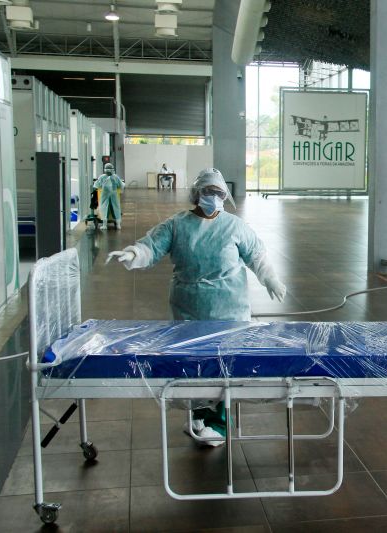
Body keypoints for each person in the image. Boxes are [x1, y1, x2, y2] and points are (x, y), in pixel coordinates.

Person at [107, 168, 286, 445]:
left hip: (229, 311)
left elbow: (257, 255)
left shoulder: (235, 226)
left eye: (218, 193)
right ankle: (199, 415)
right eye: (208, 192)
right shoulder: (177, 225)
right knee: (194, 364)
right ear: (196, 195)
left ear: (225, 196)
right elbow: (152, 246)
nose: (214, 198)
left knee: (223, 365)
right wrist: (134, 253)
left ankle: (219, 424)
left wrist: (271, 279)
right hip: (189, 309)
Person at [94, 163, 123, 230]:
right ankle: (118, 224)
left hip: (104, 193)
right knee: (116, 207)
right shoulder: (116, 177)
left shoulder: (102, 177)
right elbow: (121, 185)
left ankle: (104, 225)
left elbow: (97, 185)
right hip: (114, 193)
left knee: (103, 207)